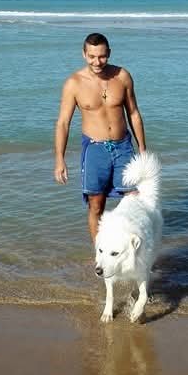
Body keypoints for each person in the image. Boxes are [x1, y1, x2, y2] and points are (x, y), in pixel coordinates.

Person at [54, 32, 147, 240]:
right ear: (84, 54)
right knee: (96, 205)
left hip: (123, 146)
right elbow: (63, 123)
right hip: (94, 148)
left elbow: (133, 113)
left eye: (102, 56)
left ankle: (133, 249)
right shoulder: (74, 83)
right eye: (92, 57)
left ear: (109, 53)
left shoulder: (122, 76)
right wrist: (60, 159)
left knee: (134, 200)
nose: (97, 62)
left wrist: (142, 149)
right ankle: (100, 252)